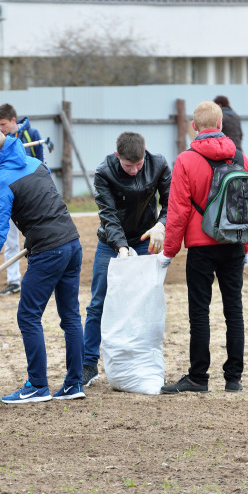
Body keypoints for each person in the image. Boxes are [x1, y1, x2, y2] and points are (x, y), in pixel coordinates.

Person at [0, 127, 84, 404]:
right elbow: (47, 203)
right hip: (72, 243)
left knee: (28, 316)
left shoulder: (1, 181)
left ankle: (37, 386)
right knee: (70, 317)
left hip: (49, 252)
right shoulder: (35, 163)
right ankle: (74, 383)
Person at [159, 101, 248, 394]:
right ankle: (233, 378)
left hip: (201, 246)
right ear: (221, 124)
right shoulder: (240, 157)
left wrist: (169, 252)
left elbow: (178, 212)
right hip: (234, 242)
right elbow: (247, 206)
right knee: (233, 310)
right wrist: (245, 247)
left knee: (199, 313)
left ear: (194, 126)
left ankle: (199, 377)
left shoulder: (185, 160)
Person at [82, 132, 171, 388]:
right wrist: (120, 247)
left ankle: (144, 364)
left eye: (139, 165)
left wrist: (161, 225)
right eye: (128, 165)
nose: (134, 171)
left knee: (145, 303)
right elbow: (107, 215)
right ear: (116, 155)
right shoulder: (104, 173)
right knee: (99, 301)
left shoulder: (159, 164)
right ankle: (88, 364)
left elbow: (171, 203)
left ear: (146, 153)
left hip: (146, 239)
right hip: (110, 243)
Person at [0, 103, 43, 296]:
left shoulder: (32, 134)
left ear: (13, 120)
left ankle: (40, 279)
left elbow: (40, 163)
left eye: (3, 124)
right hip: (9, 196)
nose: (0, 128)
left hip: (31, 198)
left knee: (37, 238)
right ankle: (14, 281)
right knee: (9, 240)